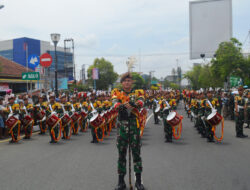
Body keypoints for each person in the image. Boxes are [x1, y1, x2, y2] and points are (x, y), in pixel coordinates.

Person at [112, 72, 145, 190]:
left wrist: (135, 103)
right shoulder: (117, 92)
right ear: (122, 83)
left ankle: (138, 182)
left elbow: (142, 102)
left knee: (136, 153)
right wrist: (119, 106)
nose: (127, 82)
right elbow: (114, 103)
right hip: (122, 127)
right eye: (125, 81)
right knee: (121, 154)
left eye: (129, 80)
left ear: (132, 82)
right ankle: (121, 182)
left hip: (134, 126)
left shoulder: (137, 93)